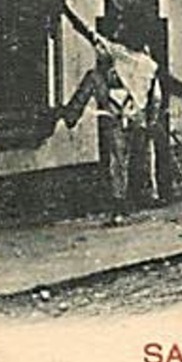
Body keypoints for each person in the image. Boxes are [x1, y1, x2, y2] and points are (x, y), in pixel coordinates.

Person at [58, 23, 162, 224]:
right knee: (140, 156)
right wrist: (152, 120)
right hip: (137, 116)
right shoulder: (149, 65)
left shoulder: (120, 54)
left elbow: (90, 34)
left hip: (117, 116)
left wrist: (68, 13)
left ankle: (119, 209)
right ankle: (147, 195)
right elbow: (156, 97)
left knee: (118, 161)